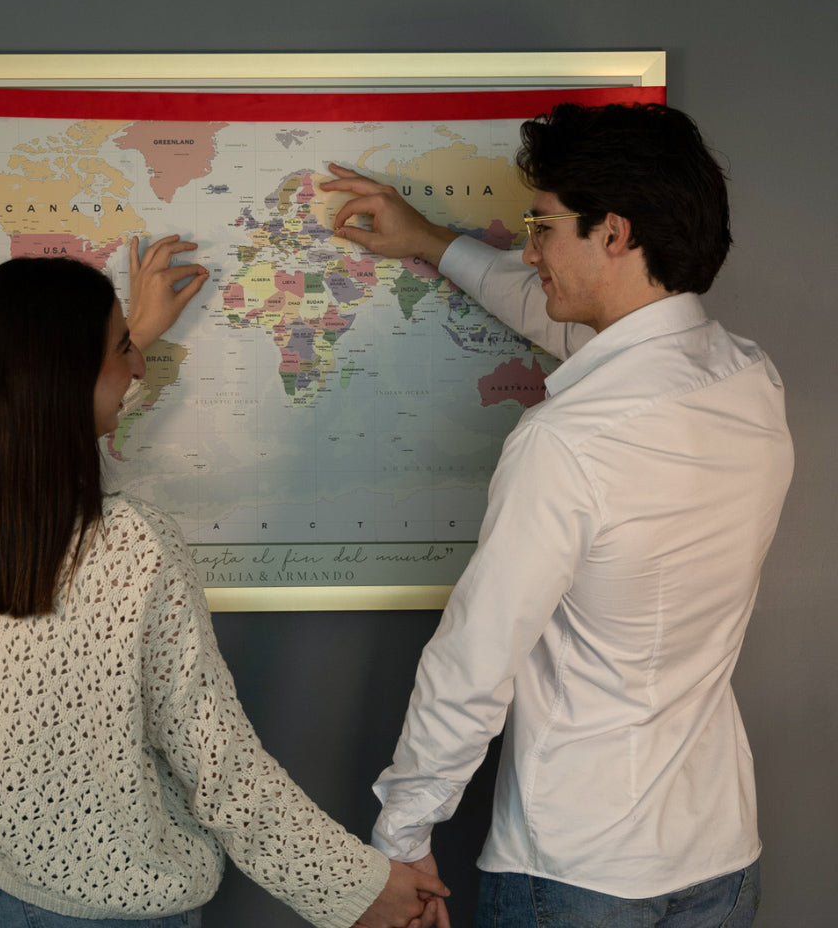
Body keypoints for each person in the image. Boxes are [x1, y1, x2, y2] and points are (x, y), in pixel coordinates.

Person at [321, 102, 794, 928]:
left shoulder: (567, 442)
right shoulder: (750, 379)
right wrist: (428, 239)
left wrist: (402, 837)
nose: (530, 251)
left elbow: (474, 660)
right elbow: (592, 330)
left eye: (541, 228)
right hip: (721, 855)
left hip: (579, 870)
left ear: (614, 233)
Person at [0, 235, 449, 928]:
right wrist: (356, 888)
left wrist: (131, 332)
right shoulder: (131, 546)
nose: (139, 366)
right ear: (66, 375)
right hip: (100, 914)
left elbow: (21, 412)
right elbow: (220, 767)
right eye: (123, 348)